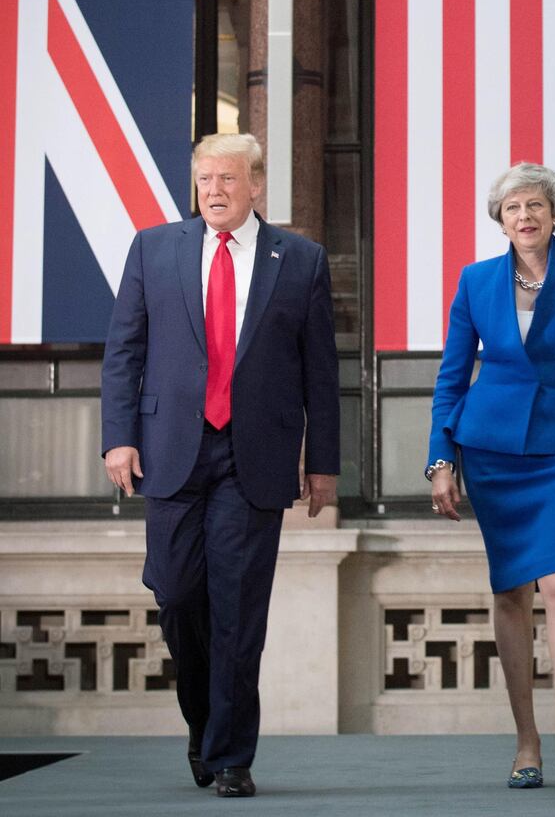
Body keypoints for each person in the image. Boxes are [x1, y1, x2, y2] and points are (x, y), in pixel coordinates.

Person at [101, 133, 339, 799]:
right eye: (205, 177)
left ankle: (232, 754)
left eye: (228, 178)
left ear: (256, 186)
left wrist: (323, 462)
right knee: (177, 594)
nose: (214, 189)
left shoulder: (300, 259)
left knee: (238, 608)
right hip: (170, 448)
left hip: (253, 457)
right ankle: (204, 722)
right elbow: (124, 350)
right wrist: (118, 436)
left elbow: (322, 373)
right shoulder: (154, 248)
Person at [427, 163, 555, 792]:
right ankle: (526, 742)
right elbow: (451, 377)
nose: (525, 216)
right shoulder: (475, 281)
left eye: (535, 205)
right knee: (512, 591)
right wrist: (441, 460)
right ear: (500, 219)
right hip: (491, 451)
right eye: (513, 207)